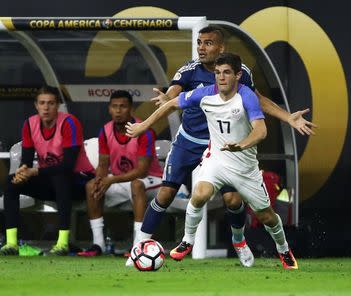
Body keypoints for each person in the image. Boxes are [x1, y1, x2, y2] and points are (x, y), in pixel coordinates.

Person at [127, 25, 315, 267]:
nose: (201, 48)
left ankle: (242, 241)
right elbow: (174, 96)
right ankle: (146, 247)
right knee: (179, 193)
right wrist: (158, 108)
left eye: (208, 43)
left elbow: (259, 113)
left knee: (238, 204)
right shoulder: (196, 78)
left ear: (222, 49)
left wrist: (287, 117)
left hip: (233, 152)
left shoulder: (243, 86)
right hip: (196, 144)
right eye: (199, 43)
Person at [0, 86, 95, 256]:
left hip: (80, 182)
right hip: (51, 181)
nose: (46, 107)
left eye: (51, 103)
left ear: (57, 105)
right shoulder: (30, 124)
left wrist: (33, 172)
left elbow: (68, 166)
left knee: (61, 177)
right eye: (42, 103)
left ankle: (62, 243)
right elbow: (27, 162)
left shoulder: (69, 123)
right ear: (36, 105)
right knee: (11, 182)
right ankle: (12, 243)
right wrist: (22, 171)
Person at [77, 90, 163, 257]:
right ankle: (98, 244)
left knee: (137, 184)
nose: (118, 111)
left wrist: (111, 180)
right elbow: (103, 164)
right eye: (114, 106)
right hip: (122, 181)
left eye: (122, 106)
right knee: (90, 186)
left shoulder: (144, 130)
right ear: (109, 109)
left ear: (131, 109)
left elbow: (142, 171)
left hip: (152, 180)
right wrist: (100, 180)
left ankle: (138, 245)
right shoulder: (105, 131)